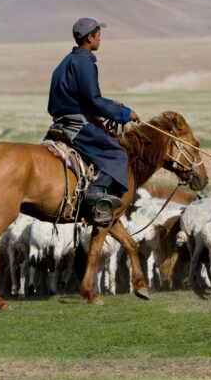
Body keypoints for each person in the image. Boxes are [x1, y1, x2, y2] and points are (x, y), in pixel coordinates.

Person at [45, 18, 140, 225]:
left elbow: (81, 97)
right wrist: (124, 113)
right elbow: (93, 99)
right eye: (99, 36)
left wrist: (107, 106)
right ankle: (95, 192)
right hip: (78, 125)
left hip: (59, 122)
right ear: (90, 37)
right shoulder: (84, 62)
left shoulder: (66, 61)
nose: (100, 39)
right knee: (116, 153)